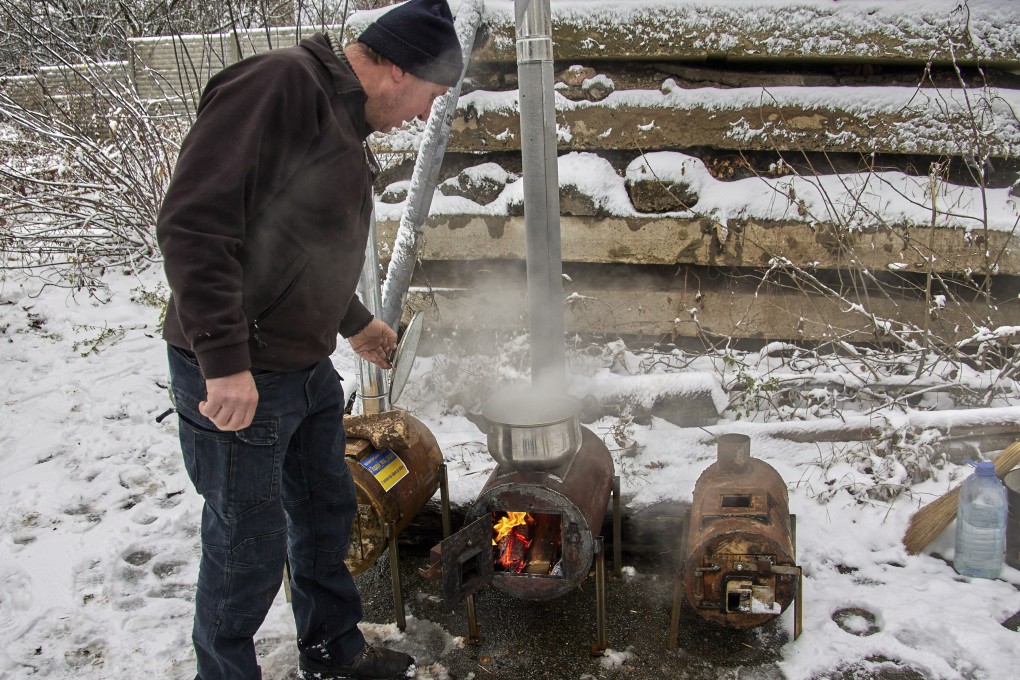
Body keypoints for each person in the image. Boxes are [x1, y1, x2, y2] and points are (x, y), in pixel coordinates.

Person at [155, 0, 463, 678]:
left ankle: (333, 652)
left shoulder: (339, 117)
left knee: (327, 513)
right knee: (247, 546)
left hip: (301, 366)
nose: (423, 115)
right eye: (431, 95)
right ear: (400, 68)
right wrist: (224, 362)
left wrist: (355, 322)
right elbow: (194, 225)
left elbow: (293, 246)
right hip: (243, 371)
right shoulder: (279, 85)